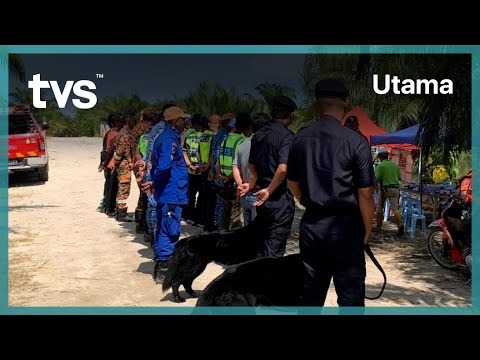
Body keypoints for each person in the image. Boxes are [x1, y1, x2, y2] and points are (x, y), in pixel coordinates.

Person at [287, 78, 376, 307]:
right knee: (350, 296)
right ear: (345, 104)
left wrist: (308, 201)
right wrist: (366, 229)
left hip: (312, 224)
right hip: (345, 227)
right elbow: (365, 193)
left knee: (310, 294)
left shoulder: (300, 138)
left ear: (317, 106)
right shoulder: (356, 141)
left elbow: (292, 183)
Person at [241, 96, 297, 258]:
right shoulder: (287, 137)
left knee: (261, 244)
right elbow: (282, 169)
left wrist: (256, 183)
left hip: (261, 198)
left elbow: (251, 166)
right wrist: (270, 189)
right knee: (275, 248)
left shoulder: (259, 135)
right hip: (279, 198)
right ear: (290, 116)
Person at [142, 106, 190, 284]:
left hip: (170, 191)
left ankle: (161, 265)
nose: (185, 122)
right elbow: (163, 166)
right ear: (174, 120)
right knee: (169, 230)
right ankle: (164, 268)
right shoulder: (169, 138)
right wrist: (155, 183)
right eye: (182, 119)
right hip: (171, 192)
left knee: (163, 227)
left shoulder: (168, 136)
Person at [232, 113, 271, 225]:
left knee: (247, 232)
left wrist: (241, 185)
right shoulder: (264, 144)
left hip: (245, 194)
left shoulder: (243, 144)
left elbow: (235, 166)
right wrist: (250, 186)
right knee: (256, 235)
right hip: (258, 194)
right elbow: (256, 169)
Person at [374, 147, 404, 235]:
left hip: (385, 189)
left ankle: (378, 226)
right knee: (395, 208)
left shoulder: (380, 166)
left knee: (379, 207)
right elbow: (399, 178)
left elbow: (376, 179)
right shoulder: (395, 165)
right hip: (395, 189)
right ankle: (400, 225)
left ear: (380, 156)